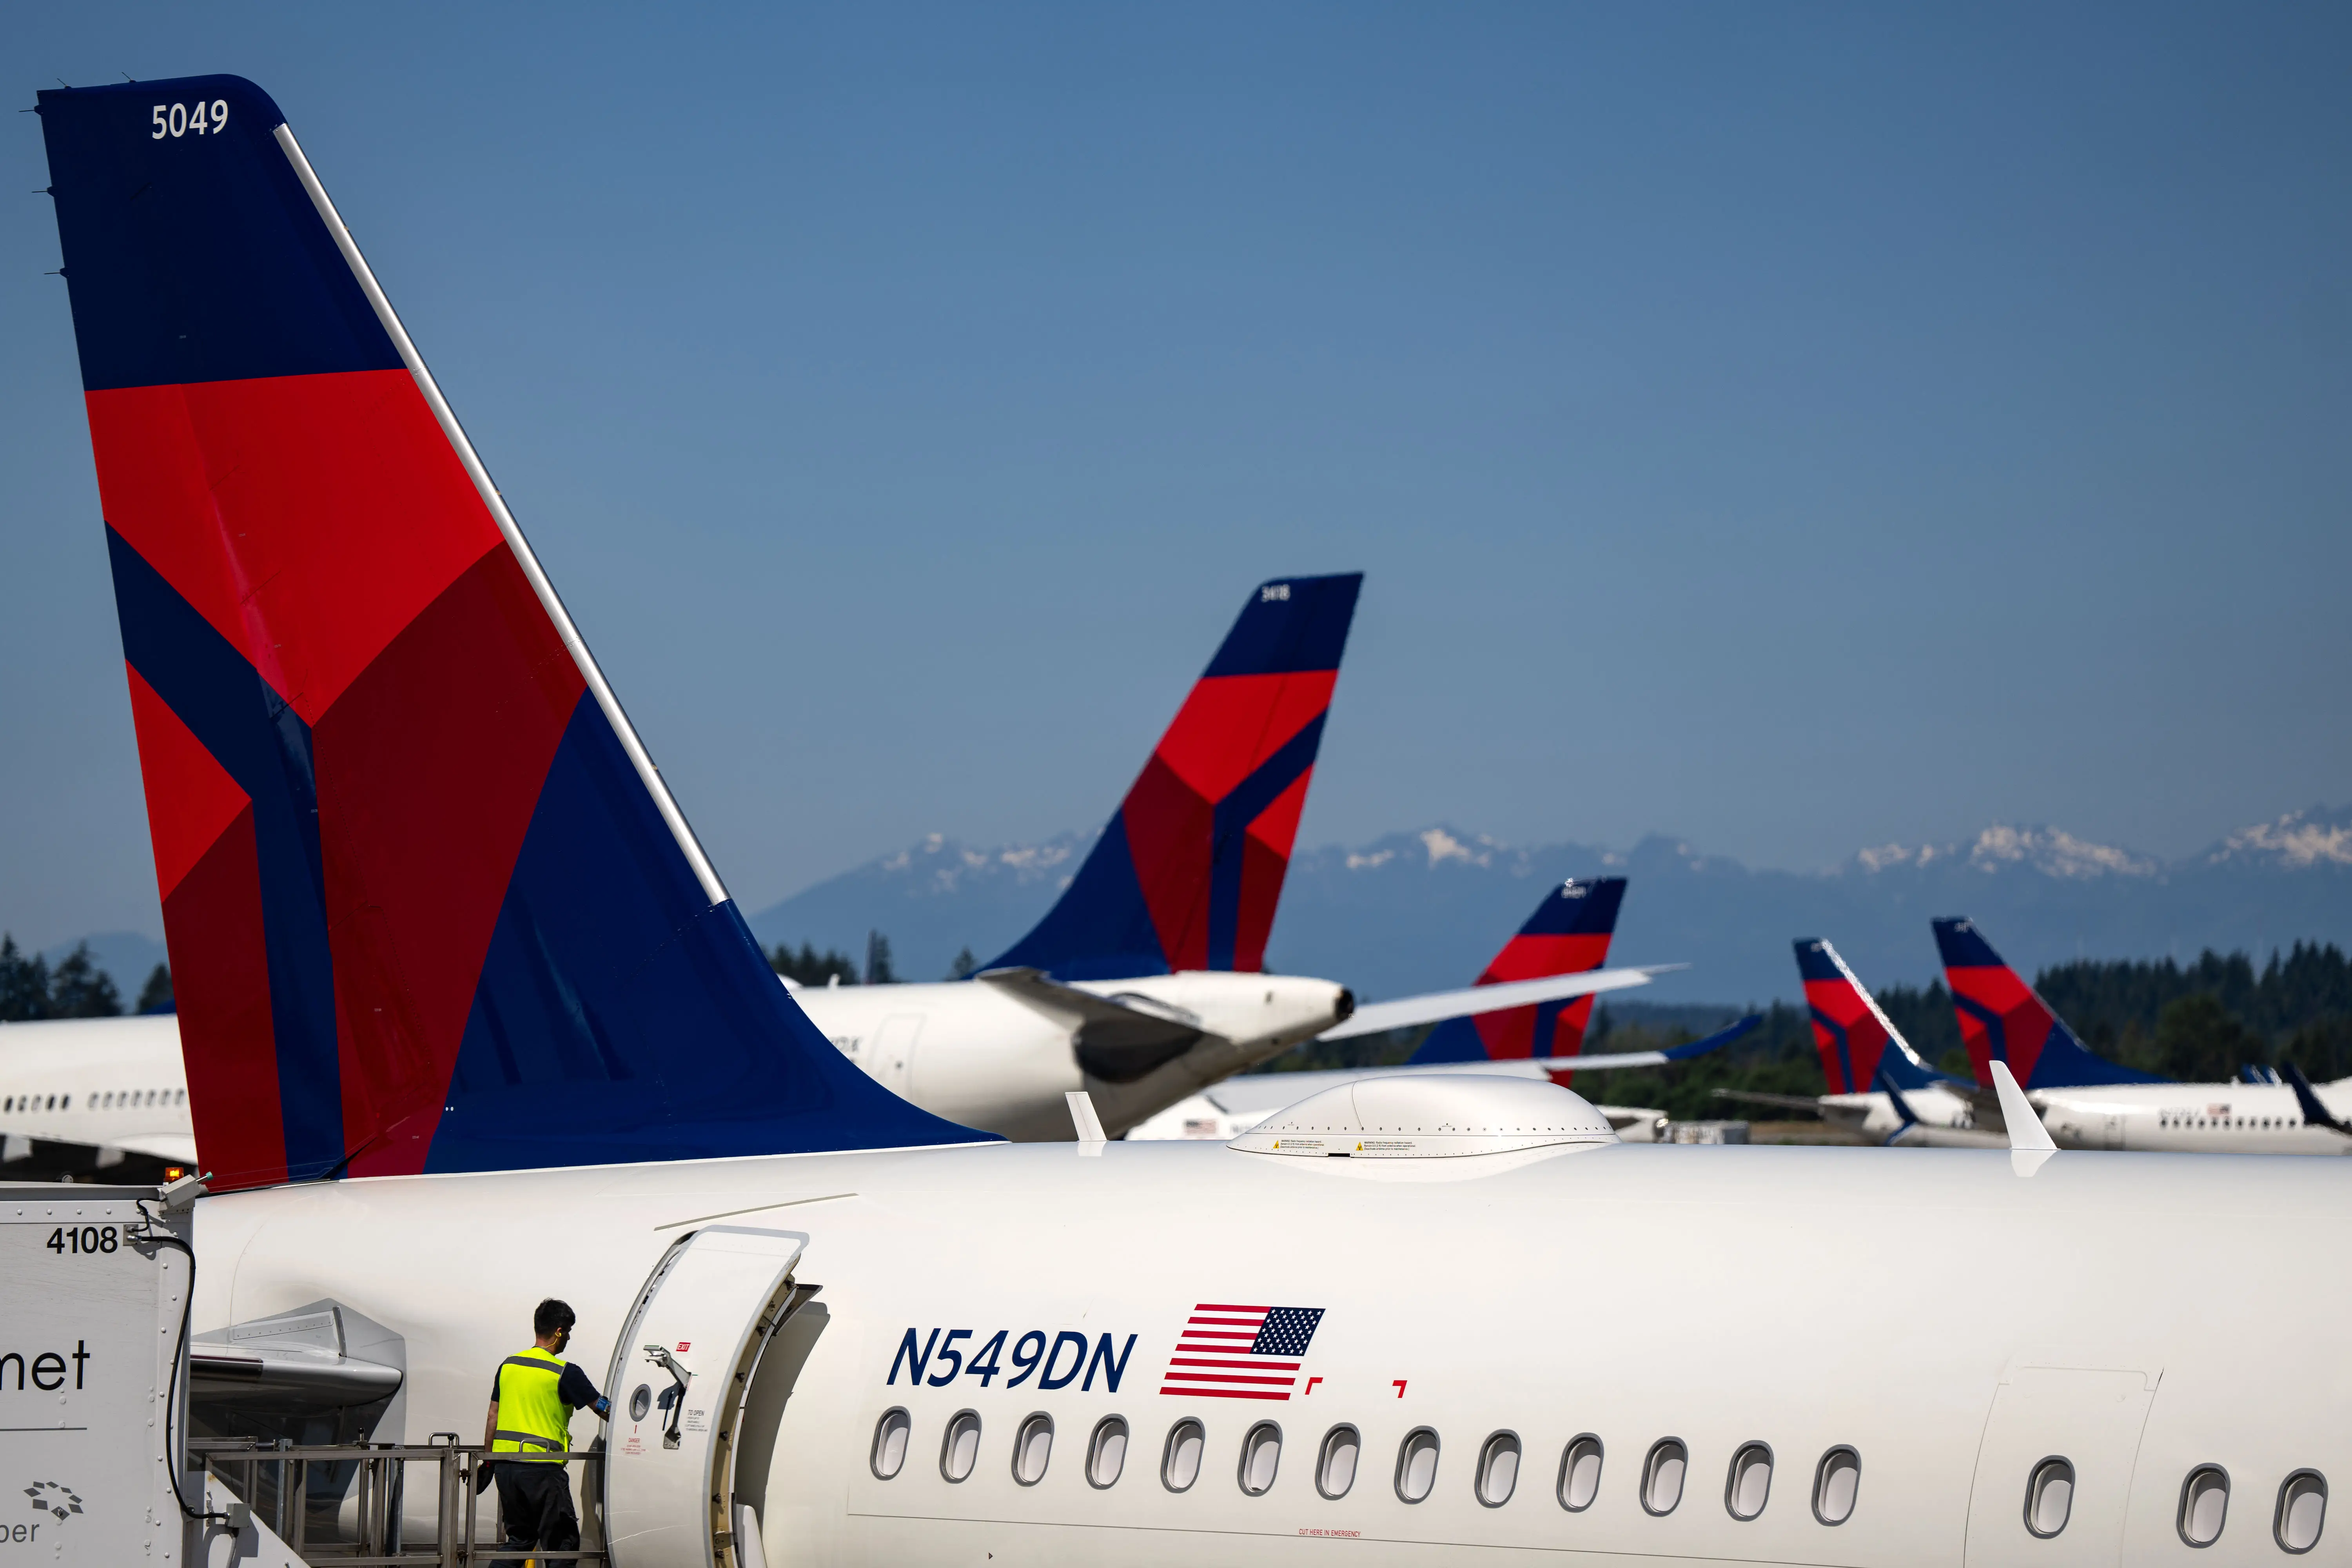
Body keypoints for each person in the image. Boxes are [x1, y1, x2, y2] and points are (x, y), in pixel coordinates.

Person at [484, 1298, 612, 1568]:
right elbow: (600, 1407)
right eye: (569, 1332)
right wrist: (622, 1412)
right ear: (559, 1332)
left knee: (520, 1540)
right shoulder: (564, 1372)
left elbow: (493, 1415)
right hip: (541, 1468)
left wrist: (488, 1460)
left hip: (505, 1467)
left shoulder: (509, 1365)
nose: (569, 1339)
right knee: (562, 1545)